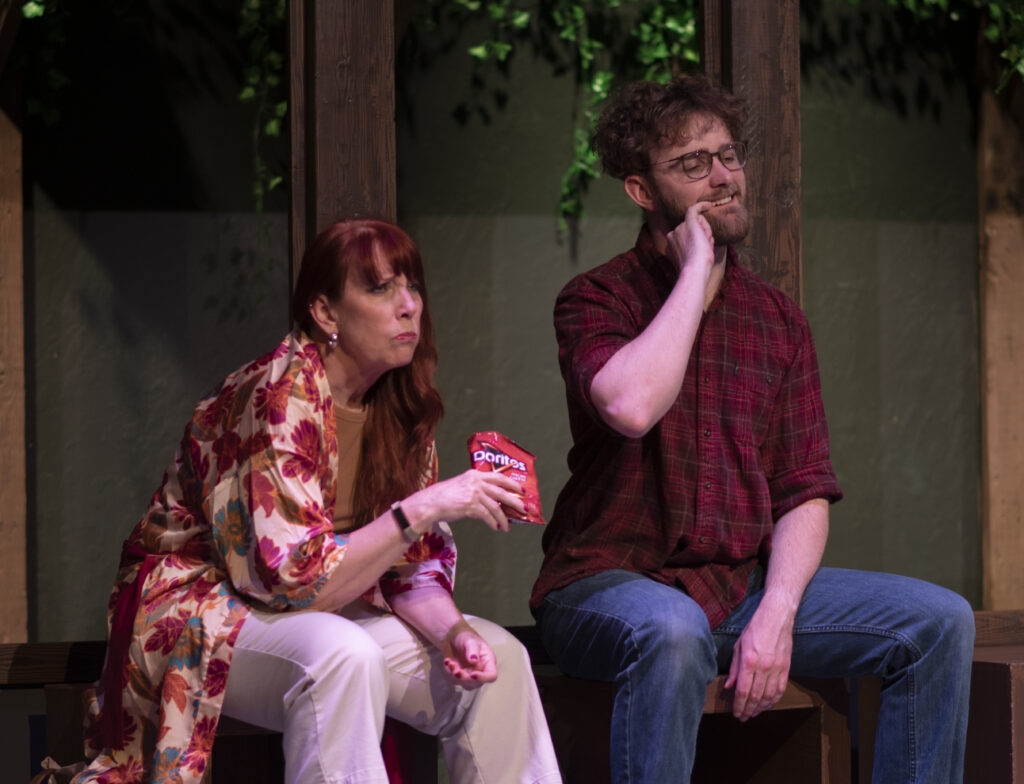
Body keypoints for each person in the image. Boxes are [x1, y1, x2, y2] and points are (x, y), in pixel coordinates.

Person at [530, 74, 975, 783]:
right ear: (643, 192)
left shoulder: (777, 320)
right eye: (692, 164)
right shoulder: (597, 297)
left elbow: (803, 491)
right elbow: (631, 407)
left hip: (735, 587)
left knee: (937, 622)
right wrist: (696, 269)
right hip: (606, 585)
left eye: (728, 156)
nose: (721, 177)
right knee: (671, 633)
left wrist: (777, 611)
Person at [73, 219, 562, 784]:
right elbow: (288, 582)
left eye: (413, 287)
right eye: (381, 289)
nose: (408, 306)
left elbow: (408, 567)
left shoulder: (401, 407)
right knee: (342, 654)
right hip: (209, 604)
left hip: (323, 604)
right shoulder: (276, 395)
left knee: (499, 661)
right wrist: (422, 507)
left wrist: (455, 633)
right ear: (326, 313)